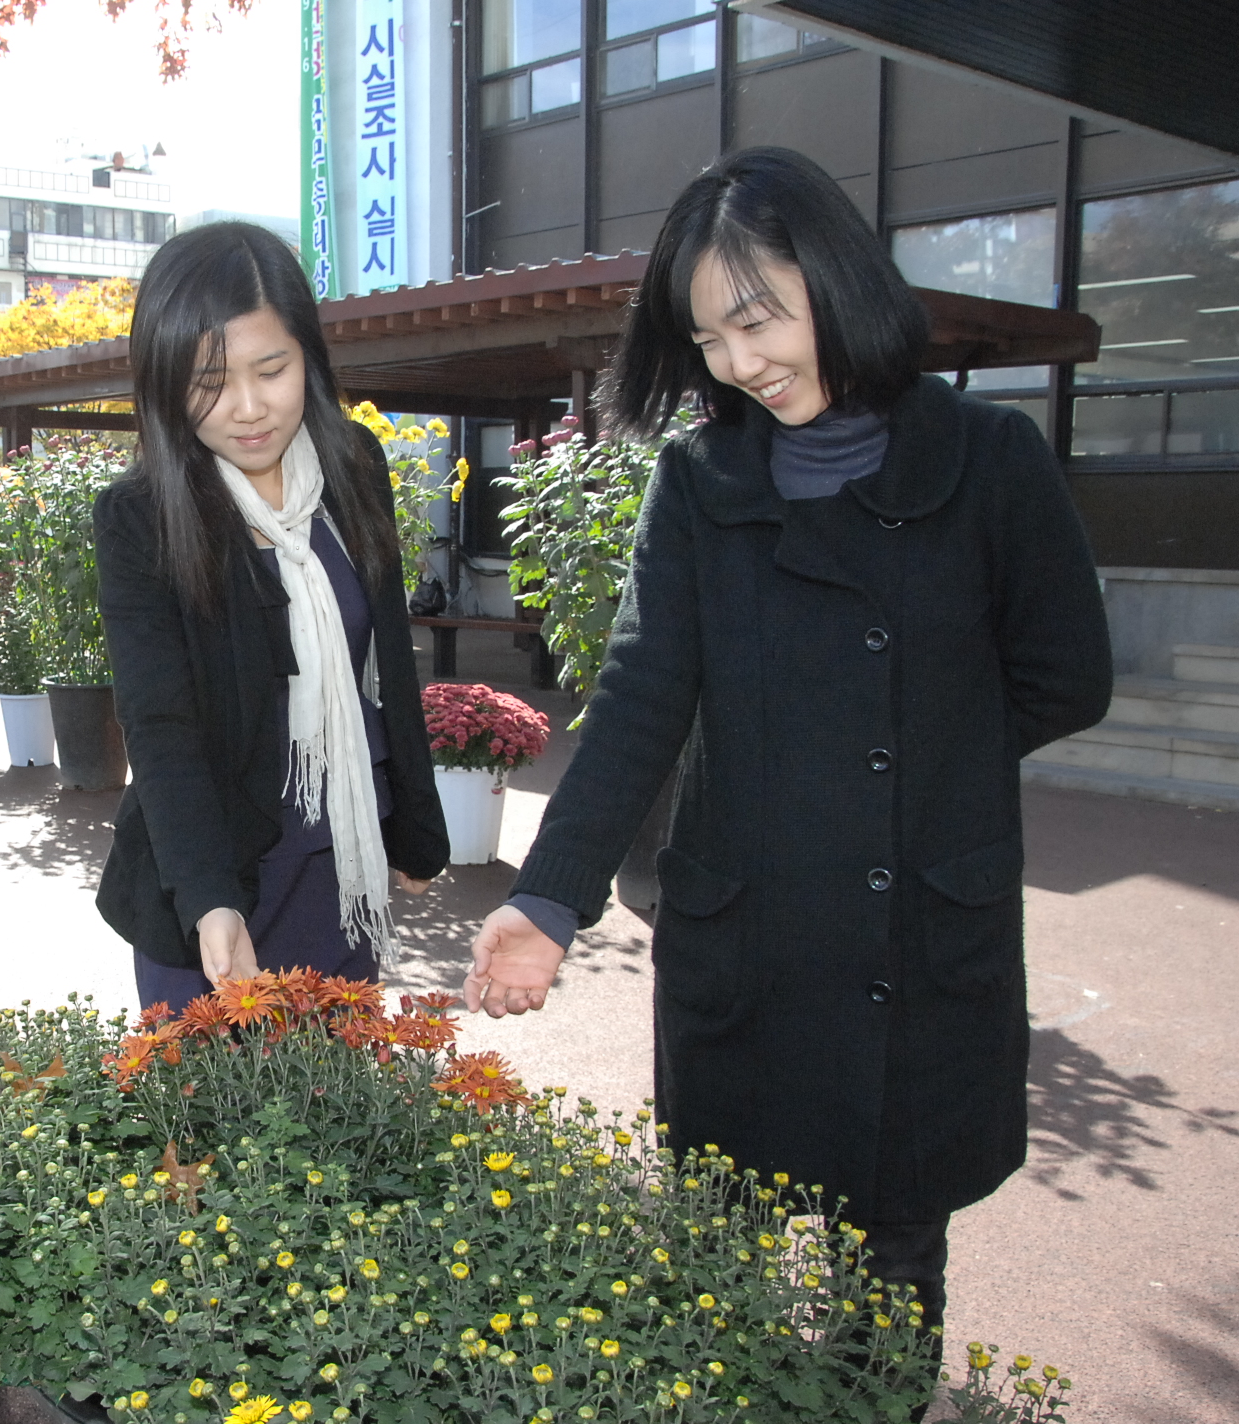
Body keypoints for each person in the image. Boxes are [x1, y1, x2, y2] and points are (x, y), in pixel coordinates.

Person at [464, 148, 1111, 1341]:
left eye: (755, 320)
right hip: (743, 935)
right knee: (713, 1287)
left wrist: (907, 756)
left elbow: (1066, 678)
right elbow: (641, 697)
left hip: (914, 930)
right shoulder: (698, 480)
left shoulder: (987, 460)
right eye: (707, 339)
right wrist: (545, 895)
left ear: (837, 275)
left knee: (888, 1288)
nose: (738, 363)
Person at [94, 221, 449, 1011]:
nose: (247, 409)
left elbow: (387, 655)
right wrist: (211, 900)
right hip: (210, 879)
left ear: (309, 359)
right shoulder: (141, 516)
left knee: (333, 1113)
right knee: (209, 1122)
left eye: (272, 369)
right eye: (207, 382)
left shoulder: (353, 464)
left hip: (335, 865)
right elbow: (159, 723)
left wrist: (416, 827)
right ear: (162, 383)